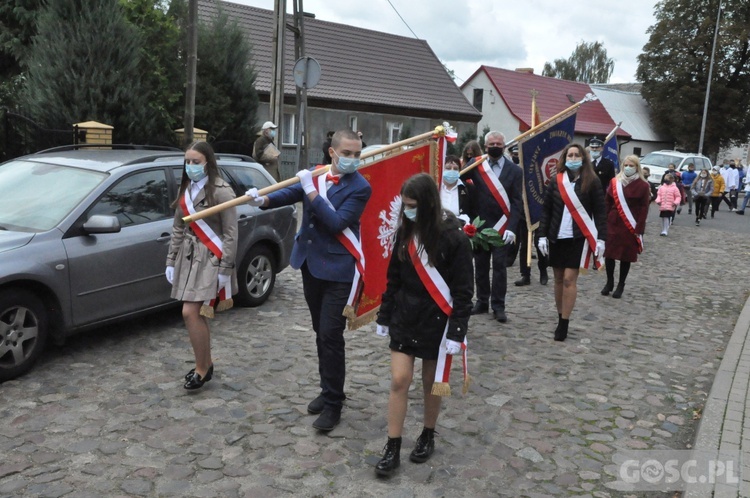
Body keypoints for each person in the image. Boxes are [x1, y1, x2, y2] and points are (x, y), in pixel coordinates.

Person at [245, 129, 371, 432]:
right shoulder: (315, 175)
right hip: (310, 264)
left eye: (357, 154)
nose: (353, 159)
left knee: (330, 334)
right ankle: (329, 388)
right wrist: (260, 199)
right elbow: (287, 194)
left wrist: (311, 191)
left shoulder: (360, 187)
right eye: (348, 153)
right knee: (320, 332)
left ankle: (333, 405)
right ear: (332, 152)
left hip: (339, 270)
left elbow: (337, 222)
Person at [373, 173, 473, 476]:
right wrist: (384, 315)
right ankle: (392, 445)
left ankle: (428, 433)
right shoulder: (405, 232)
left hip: (437, 322)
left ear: (428, 204)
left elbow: (463, 291)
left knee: (432, 384)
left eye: (413, 205)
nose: (407, 211)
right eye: (405, 205)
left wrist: (457, 331)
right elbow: (393, 278)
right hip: (405, 316)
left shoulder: (454, 238)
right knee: (399, 380)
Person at [165, 141, 238, 390]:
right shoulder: (185, 188)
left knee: (190, 312)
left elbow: (230, 234)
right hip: (188, 257)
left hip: (210, 259)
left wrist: (226, 269)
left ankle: (202, 368)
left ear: (208, 162)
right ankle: (204, 365)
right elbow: (178, 226)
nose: (191, 166)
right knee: (195, 314)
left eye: (196, 162)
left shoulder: (221, 190)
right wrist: (171, 261)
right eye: (187, 162)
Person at [537, 143, 606, 341]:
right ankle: (560, 316)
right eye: (570, 155)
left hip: (578, 238)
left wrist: (601, 238)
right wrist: (542, 235)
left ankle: (564, 323)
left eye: (577, 155)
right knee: (558, 279)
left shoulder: (592, 181)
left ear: (583, 158)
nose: (573, 158)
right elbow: (547, 210)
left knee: (569, 279)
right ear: (564, 158)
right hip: (557, 236)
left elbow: (600, 211)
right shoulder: (555, 181)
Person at [465, 131, 523, 323]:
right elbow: (460, 180)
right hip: (480, 226)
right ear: (486, 145)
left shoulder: (515, 171)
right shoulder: (476, 165)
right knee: (480, 266)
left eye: (499, 143)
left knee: (499, 267)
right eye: (492, 144)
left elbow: (516, 202)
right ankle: (481, 301)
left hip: (502, 227)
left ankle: (498, 306)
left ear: (504, 146)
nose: (495, 146)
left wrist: (512, 228)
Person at [601, 155, 651, 299]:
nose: (628, 168)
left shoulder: (643, 185)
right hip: (613, 221)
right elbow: (607, 203)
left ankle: (620, 284)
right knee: (609, 254)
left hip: (630, 224)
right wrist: (603, 222)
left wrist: (639, 229)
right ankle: (609, 282)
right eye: (626, 165)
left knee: (625, 256)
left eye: (631, 165)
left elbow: (644, 208)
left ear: (637, 167)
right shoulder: (614, 182)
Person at [439, 154, 475, 222]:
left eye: (455, 169)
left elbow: (474, 214)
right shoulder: (436, 187)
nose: (452, 171)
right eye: (448, 168)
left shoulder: (468, 189)